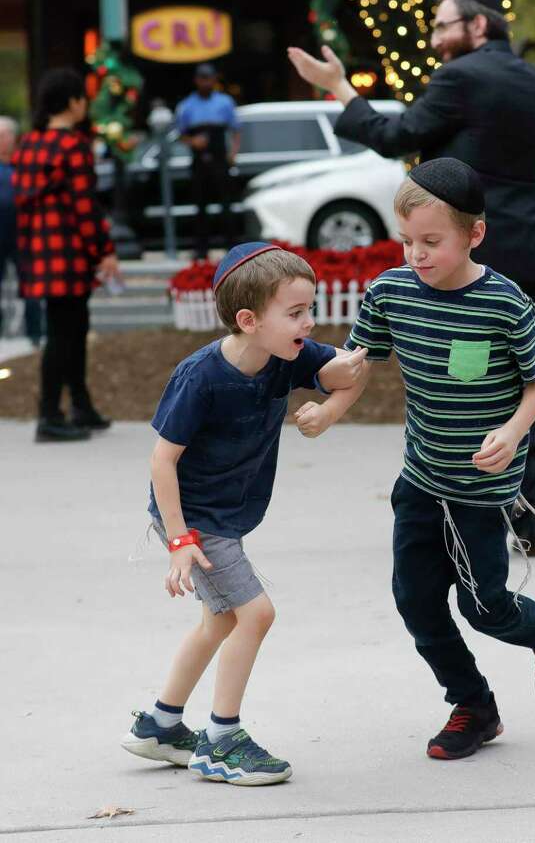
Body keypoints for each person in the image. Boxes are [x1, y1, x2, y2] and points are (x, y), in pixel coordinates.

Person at [288, 0, 535, 554]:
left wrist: (339, 85)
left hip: (464, 249)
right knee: (518, 372)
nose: (435, 39)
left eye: (442, 26)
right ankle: (528, 513)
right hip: (530, 241)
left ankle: (465, 499)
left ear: (478, 26)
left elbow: (396, 137)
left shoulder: (460, 77)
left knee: (463, 371)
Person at [344, 158, 535, 761]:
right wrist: (326, 404)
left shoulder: (504, 303)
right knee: (415, 600)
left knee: (485, 609)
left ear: (474, 234)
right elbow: (357, 361)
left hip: (479, 487)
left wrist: (513, 429)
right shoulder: (390, 292)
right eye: (406, 241)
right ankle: (473, 703)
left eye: (431, 242)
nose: (415, 255)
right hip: (421, 478)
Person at [120, 243, 369, 785]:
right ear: (249, 320)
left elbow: (351, 373)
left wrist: (328, 411)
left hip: (222, 516)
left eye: (311, 308)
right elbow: (163, 460)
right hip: (194, 518)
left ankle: (159, 726)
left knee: (221, 620)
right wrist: (181, 540)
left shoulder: (288, 356)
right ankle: (222, 741)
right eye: (297, 313)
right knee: (256, 615)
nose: (311, 321)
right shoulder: (201, 377)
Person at [11, 68, 119, 443]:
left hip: (40, 255)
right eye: (82, 98)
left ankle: (80, 405)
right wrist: (104, 251)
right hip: (70, 254)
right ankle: (50, 415)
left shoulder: (27, 144)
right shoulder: (73, 146)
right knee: (65, 335)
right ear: (73, 102)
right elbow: (84, 207)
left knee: (70, 330)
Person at [176, 63, 241, 259]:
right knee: (200, 204)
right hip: (198, 159)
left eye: (209, 77)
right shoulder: (186, 105)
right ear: (196, 80)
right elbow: (180, 134)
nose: (206, 81)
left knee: (226, 203)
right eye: (202, 78)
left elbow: (236, 129)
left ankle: (231, 246)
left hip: (219, 155)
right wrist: (192, 141)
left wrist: (233, 152)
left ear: (214, 79)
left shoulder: (225, 102)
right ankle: (201, 249)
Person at [0, 115, 43, 346]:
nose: (2, 140)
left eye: (4, 135)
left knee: (30, 288)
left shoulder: (24, 164)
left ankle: (35, 335)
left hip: (23, 235)